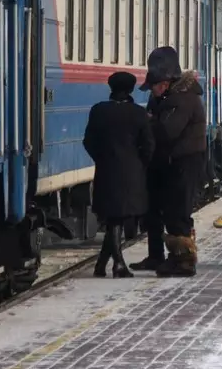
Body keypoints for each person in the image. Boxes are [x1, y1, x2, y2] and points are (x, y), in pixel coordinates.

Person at [130, 47, 206, 277]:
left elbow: (166, 131)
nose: (151, 91)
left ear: (164, 83)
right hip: (168, 162)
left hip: (184, 162)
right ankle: (159, 257)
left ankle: (184, 261)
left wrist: (148, 122)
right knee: (158, 209)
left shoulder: (182, 99)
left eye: (153, 86)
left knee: (178, 212)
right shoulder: (165, 99)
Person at [82, 72, 155, 278]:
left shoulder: (98, 111)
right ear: (131, 89)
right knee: (118, 218)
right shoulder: (138, 113)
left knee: (114, 218)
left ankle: (101, 265)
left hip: (106, 171)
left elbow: (88, 141)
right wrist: (140, 165)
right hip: (131, 173)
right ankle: (119, 264)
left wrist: (101, 158)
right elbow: (149, 145)